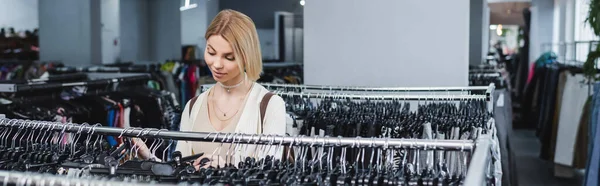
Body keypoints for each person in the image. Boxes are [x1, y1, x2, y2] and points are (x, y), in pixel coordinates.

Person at [134, 9, 287, 169]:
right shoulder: (193, 106)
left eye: (229, 57)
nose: (217, 64)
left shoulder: (270, 106)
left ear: (247, 56)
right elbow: (180, 170)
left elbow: (270, 172)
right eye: (211, 52)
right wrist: (151, 160)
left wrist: (227, 168)